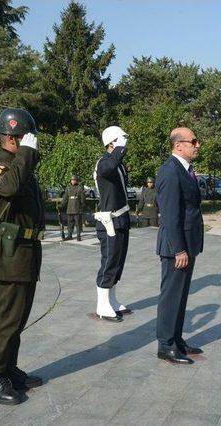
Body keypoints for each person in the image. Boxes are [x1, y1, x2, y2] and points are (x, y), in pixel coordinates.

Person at [0, 107, 45, 405]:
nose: (32, 142)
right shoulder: (1, 166)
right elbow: (8, 188)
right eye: (27, 137)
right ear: (12, 137)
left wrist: (27, 157)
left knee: (18, 318)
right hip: (8, 251)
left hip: (25, 251)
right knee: (5, 318)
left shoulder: (21, 165)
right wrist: (27, 154)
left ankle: (8, 368)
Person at [155, 127, 204, 364]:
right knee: (171, 296)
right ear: (178, 146)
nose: (197, 145)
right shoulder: (170, 171)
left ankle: (176, 338)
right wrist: (179, 249)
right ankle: (165, 345)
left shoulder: (185, 170)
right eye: (193, 141)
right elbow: (170, 215)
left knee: (181, 296)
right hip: (177, 248)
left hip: (187, 244)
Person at [93, 126, 133, 321]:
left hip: (121, 219)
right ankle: (102, 304)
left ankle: (112, 300)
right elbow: (108, 168)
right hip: (109, 222)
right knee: (109, 261)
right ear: (111, 143)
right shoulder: (104, 163)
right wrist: (119, 149)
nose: (125, 142)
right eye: (120, 139)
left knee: (118, 262)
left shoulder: (118, 163)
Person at [60, 175, 86, 241]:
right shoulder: (68, 188)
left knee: (78, 223)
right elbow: (65, 198)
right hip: (69, 208)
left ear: (76, 180)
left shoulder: (80, 188)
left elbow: (82, 199)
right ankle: (69, 236)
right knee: (70, 224)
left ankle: (78, 236)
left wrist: (82, 205)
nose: (73, 181)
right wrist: (61, 205)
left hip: (77, 208)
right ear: (70, 181)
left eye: (74, 180)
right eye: (72, 180)